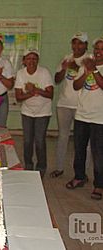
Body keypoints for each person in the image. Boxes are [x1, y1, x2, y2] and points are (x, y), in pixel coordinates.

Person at [66, 37, 103, 200]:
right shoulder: (85, 65)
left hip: (99, 118)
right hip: (81, 115)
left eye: (101, 49)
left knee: (98, 153)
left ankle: (99, 185)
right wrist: (86, 72)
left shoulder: (94, 67)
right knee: (79, 149)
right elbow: (76, 86)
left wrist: (94, 71)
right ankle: (79, 176)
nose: (98, 51)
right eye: (96, 48)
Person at [50, 32, 89, 178]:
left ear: (86, 45)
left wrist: (75, 67)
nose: (77, 46)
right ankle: (59, 168)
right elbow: (57, 79)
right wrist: (63, 69)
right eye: (74, 42)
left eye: (80, 43)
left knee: (82, 141)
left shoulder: (89, 59)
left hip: (82, 106)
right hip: (64, 104)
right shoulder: (66, 58)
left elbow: (88, 78)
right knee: (62, 137)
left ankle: (82, 172)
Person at [15, 48, 53, 178]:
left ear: (38, 60)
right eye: (29, 58)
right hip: (27, 112)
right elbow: (18, 97)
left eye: (34, 58)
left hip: (43, 112)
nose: (31, 61)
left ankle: (41, 167)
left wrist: (35, 89)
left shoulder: (44, 72)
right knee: (27, 141)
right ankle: (28, 166)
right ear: (24, 61)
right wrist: (32, 93)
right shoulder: (21, 73)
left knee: (40, 140)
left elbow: (50, 94)